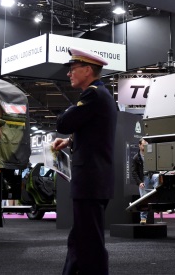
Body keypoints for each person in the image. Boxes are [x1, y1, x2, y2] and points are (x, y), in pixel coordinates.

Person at [51, 48, 117, 275]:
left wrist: (68, 118)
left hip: (90, 181)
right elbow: (94, 133)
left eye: (73, 69)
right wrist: (69, 141)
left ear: (88, 70)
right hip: (93, 181)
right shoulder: (102, 95)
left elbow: (64, 122)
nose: (69, 74)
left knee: (90, 246)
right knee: (79, 241)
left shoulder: (93, 95)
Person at [131, 138, 159, 224]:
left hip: (152, 175)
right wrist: (139, 182)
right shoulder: (136, 158)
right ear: (139, 145)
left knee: (158, 177)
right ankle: (143, 218)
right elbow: (134, 172)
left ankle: (157, 195)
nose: (145, 147)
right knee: (143, 198)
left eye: (146, 145)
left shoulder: (150, 154)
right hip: (144, 178)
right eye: (143, 145)